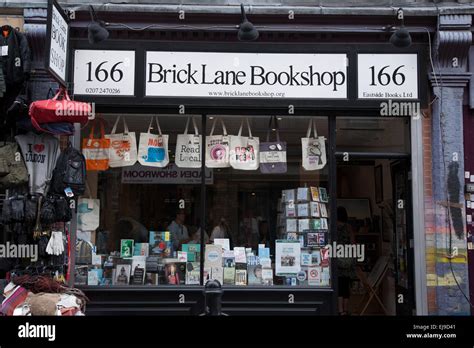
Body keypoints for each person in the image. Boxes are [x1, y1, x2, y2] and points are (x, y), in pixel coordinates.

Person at [336, 206, 356, 315]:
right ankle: (346, 309)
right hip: (347, 259)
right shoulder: (349, 228)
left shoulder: (333, 227)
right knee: (346, 286)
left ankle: (340, 310)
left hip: (337, 259)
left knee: (339, 286)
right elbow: (353, 243)